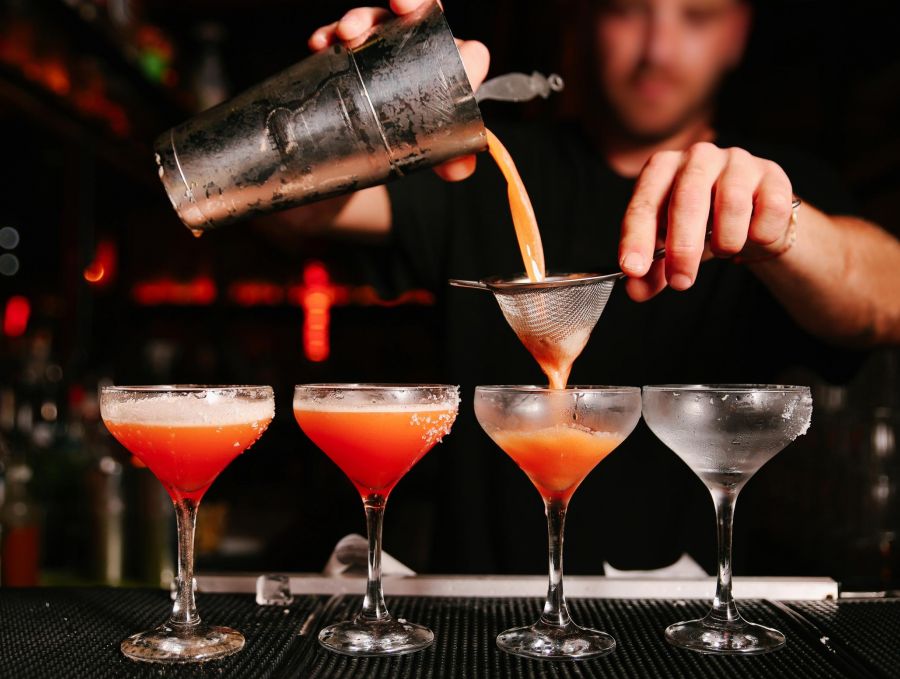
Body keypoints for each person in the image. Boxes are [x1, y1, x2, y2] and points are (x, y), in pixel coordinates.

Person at [281, 0, 900, 575]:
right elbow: (297, 212)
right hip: (480, 624)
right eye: (626, 11)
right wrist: (338, 104)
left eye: (696, 16)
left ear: (739, 31)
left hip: (693, 634)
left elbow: (884, 303)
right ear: (582, 22)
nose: (657, 49)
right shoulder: (474, 172)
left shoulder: (786, 180)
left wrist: (777, 222)